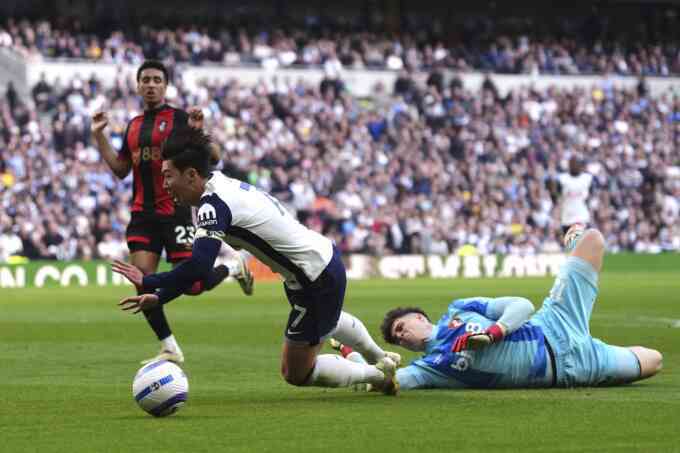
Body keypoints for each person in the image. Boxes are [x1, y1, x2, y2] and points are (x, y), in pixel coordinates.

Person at [112, 127, 401, 394]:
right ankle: (381, 358)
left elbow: (199, 267)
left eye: (167, 175)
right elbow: (196, 269)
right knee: (327, 320)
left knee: (295, 372)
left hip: (314, 278)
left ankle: (377, 376)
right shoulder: (220, 182)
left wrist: (150, 281)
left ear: (190, 175)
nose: (164, 184)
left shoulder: (213, 205)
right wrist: (161, 296)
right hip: (317, 262)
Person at [333, 225, 663, 391]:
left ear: (420, 318)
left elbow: (522, 305)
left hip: (555, 323)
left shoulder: (460, 309)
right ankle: (601, 355)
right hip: (572, 370)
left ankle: (571, 238)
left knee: (591, 239)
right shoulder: (430, 367)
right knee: (654, 361)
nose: (402, 337)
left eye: (402, 327)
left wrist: (493, 333)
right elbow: (388, 380)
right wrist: (353, 353)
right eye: (398, 339)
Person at [91, 60, 254, 365]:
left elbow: (214, 157)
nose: (151, 85)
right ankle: (169, 346)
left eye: (156, 80)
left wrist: (199, 132)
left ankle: (234, 268)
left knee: (193, 286)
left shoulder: (179, 119)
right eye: (146, 80)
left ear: (165, 86)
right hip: (142, 214)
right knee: (143, 279)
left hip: (176, 211)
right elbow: (120, 170)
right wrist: (99, 136)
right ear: (137, 86)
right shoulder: (134, 126)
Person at [552, 156, 593, 235]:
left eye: (577, 163)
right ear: (569, 165)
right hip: (567, 218)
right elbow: (555, 197)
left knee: (581, 243)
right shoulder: (562, 179)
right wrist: (557, 215)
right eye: (572, 164)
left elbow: (590, 196)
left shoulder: (587, 178)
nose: (575, 165)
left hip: (582, 217)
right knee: (570, 245)